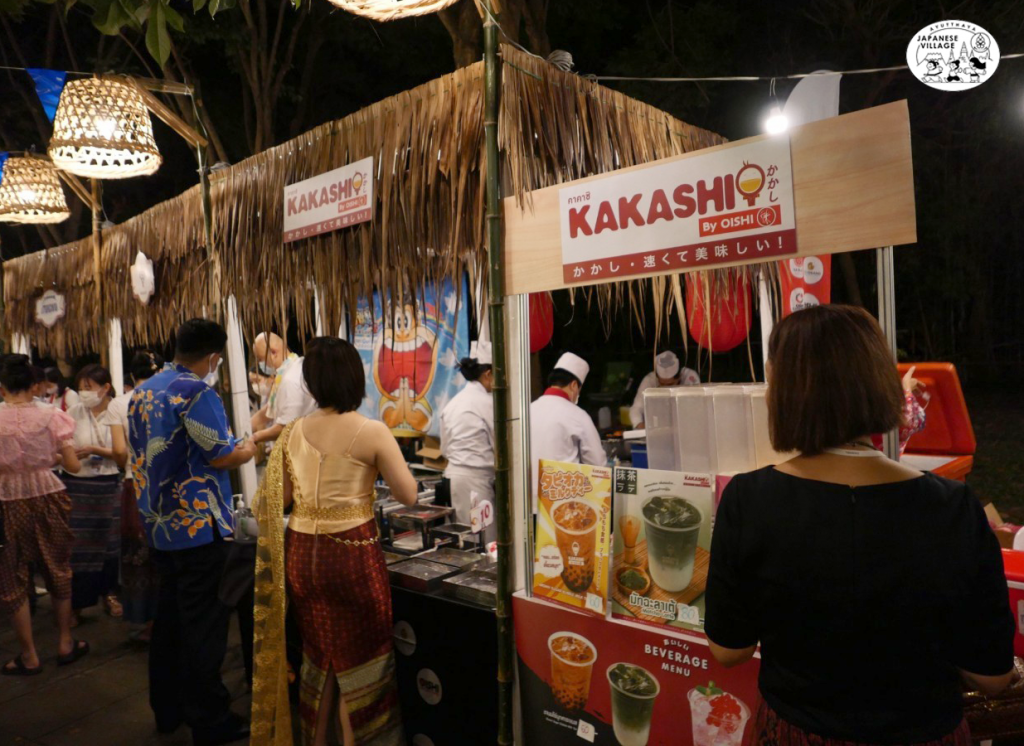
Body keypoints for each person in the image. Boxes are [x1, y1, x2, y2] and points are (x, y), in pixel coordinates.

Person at [704, 305, 1015, 745]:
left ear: (785, 392)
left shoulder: (748, 499)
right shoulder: (953, 506)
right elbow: (993, 676)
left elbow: (728, 650)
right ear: (879, 383)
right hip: (927, 731)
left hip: (793, 733)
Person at [252, 336, 417, 746]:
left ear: (312, 382)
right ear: (355, 378)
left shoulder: (292, 432)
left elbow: (273, 501)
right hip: (351, 553)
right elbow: (409, 495)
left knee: (319, 655)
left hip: (302, 554)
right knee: (361, 661)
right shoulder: (372, 431)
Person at [129, 319, 257, 745]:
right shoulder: (197, 392)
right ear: (215, 357)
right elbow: (221, 456)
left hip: (159, 525)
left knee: (169, 622)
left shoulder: (144, 391)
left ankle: (167, 710)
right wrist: (248, 449)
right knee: (204, 628)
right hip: (198, 527)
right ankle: (210, 719)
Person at [0, 354, 89, 675]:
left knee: (12, 576)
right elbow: (73, 466)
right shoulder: (52, 415)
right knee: (57, 567)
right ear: (33, 385)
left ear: (2, 388)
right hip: (49, 496)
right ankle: (65, 643)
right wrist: (52, 456)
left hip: (6, 500)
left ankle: (29, 655)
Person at [107, 351, 164, 640]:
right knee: (168, 550)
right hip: (168, 483)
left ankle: (150, 622)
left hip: (135, 483)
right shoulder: (169, 397)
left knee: (139, 553)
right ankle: (173, 621)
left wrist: (125, 464)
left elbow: (119, 450)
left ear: (131, 376)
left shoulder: (119, 404)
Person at [62, 364, 123, 622]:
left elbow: (125, 452)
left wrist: (94, 450)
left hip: (110, 483)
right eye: (80, 388)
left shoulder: (119, 410)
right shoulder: (72, 413)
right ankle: (76, 603)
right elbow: (62, 447)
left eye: (88, 387)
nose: (83, 393)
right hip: (78, 485)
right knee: (78, 548)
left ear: (106, 387)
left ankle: (110, 594)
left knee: (110, 545)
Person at [529, 353, 605, 508]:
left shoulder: (528, 410)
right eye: (579, 390)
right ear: (574, 385)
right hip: (562, 506)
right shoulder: (578, 415)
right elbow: (597, 465)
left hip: (527, 503)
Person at [439, 341, 496, 542]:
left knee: (464, 539)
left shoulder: (453, 403)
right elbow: (500, 446)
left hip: (453, 479)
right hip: (477, 481)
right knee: (484, 540)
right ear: (488, 374)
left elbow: (445, 449)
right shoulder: (488, 404)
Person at [250, 331, 316, 448]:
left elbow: (286, 427)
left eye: (260, 359)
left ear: (273, 352)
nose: (260, 364)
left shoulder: (290, 379)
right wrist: (246, 427)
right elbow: (270, 409)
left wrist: (254, 437)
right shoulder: (291, 367)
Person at [628, 350, 700, 429]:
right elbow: (637, 407)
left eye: (670, 384)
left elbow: (696, 406)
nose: (665, 387)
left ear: (679, 377)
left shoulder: (690, 377)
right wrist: (640, 425)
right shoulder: (650, 380)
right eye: (662, 384)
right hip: (658, 426)